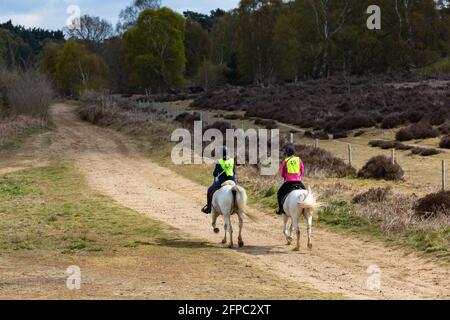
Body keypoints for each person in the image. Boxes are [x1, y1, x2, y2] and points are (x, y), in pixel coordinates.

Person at [201, 146, 236, 214]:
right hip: (232, 180)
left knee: (209, 190)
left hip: (222, 181)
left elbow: (215, 174)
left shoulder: (219, 162)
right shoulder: (232, 161)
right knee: (240, 190)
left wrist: (214, 173)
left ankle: (208, 208)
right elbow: (234, 172)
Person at [276, 145, 306, 215]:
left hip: (289, 182)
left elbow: (282, 173)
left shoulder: (286, 161)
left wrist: (285, 177)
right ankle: (305, 210)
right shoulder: (299, 160)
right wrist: (298, 176)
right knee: (306, 193)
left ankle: (280, 209)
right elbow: (302, 170)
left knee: (279, 193)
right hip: (298, 181)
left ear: (287, 153)